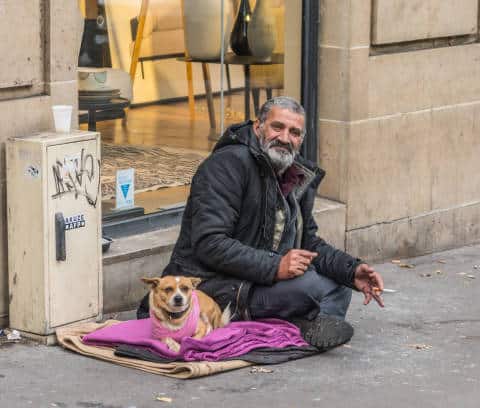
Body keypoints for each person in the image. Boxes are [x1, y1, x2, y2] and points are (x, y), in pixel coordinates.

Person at [137, 96, 384, 349]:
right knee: (315, 287)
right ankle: (299, 327)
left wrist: (350, 270)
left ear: (301, 139)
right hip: (212, 286)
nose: (285, 138)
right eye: (277, 127)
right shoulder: (226, 165)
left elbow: (308, 242)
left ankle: (301, 326)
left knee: (339, 284)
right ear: (258, 127)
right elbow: (210, 243)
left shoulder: (292, 175)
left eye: (295, 132)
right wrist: (276, 266)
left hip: (256, 279)